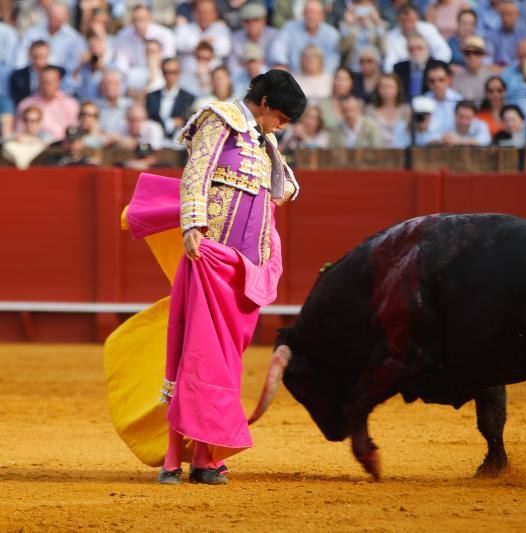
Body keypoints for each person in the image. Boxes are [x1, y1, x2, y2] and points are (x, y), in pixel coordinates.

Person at [153, 69, 307, 485]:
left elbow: (288, 187)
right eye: (280, 117)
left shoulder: (266, 140)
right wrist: (192, 224)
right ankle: (172, 457)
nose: (281, 126)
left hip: (244, 265)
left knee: (223, 363)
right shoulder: (218, 119)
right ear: (263, 104)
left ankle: (204, 457)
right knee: (193, 354)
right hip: (210, 256)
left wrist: (278, 179)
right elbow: (197, 172)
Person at [270, 0, 341, 73]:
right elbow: (279, 48)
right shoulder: (290, 27)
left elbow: (333, 61)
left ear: (322, 16)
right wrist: (281, 63)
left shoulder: (332, 33)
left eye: (315, 13)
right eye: (308, 12)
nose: (311, 16)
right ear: (303, 14)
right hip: (293, 75)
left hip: (321, 77)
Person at [16, 65, 79, 142]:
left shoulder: (70, 104)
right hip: (33, 146)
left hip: (61, 147)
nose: (46, 86)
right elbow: (19, 131)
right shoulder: (26, 104)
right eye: (43, 82)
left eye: (49, 82)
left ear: (58, 82)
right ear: (38, 82)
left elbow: (74, 131)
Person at [383, 5, 451, 72]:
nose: (408, 24)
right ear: (398, 20)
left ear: (417, 18)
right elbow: (390, 62)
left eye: (411, 20)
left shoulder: (428, 29)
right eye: (404, 21)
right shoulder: (391, 36)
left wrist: (435, 68)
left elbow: (443, 52)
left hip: (429, 69)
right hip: (404, 72)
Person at [146, 58, 196, 138]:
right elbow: (150, 119)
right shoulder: (152, 97)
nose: (169, 76)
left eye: (173, 72)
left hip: (178, 142)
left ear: (179, 73)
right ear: (162, 73)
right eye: (166, 72)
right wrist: (171, 123)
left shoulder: (188, 98)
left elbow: (187, 122)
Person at [227, 3, 278, 80]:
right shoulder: (235, 38)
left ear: (264, 20)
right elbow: (232, 67)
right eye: (247, 21)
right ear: (242, 22)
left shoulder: (274, 36)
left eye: (255, 20)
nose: (251, 24)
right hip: (243, 80)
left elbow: (277, 64)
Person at [175, 0, 232, 67]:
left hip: (214, 73)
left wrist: (195, 47)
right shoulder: (185, 28)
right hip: (188, 73)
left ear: (215, 14)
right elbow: (178, 45)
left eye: (208, 12)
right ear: (193, 13)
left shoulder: (222, 28)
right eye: (200, 12)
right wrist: (206, 44)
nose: (204, 16)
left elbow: (224, 50)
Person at [393, 33, 448, 101]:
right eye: (411, 49)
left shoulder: (438, 65)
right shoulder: (399, 68)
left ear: (427, 49)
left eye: (419, 48)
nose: (415, 52)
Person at [339, 0, 386, 73]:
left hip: (373, 67)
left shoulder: (378, 25)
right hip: (353, 67)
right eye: (360, 4)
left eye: (366, 4)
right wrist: (347, 25)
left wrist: (377, 23)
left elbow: (383, 49)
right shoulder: (347, 25)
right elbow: (342, 48)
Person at [366, 73, 411, 147]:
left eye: (390, 87)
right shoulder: (370, 110)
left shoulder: (406, 110)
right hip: (377, 152)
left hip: (401, 152)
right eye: (383, 87)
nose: (386, 90)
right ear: (377, 89)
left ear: (398, 89)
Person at [484, 0, 526, 67]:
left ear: (517, 14)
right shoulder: (492, 35)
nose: (505, 18)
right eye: (503, 14)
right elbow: (488, 60)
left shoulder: (525, 34)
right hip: (496, 72)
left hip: (518, 72)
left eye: (509, 14)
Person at [424, 62, 462, 141]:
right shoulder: (423, 102)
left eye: (441, 80)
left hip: (455, 146)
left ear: (448, 80)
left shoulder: (459, 100)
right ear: (427, 83)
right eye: (432, 81)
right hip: (429, 147)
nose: (436, 84)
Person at [9, 40, 52, 106]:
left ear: (48, 55)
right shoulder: (17, 76)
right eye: (36, 56)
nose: (38, 60)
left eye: (42, 57)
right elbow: (16, 99)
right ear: (29, 54)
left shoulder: (57, 72)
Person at [452, 36, 493, 103]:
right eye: (467, 53)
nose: (472, 57)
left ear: (483, 55)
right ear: (463, 55)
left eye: (476, 53)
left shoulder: (490, 78)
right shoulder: (457, 78)